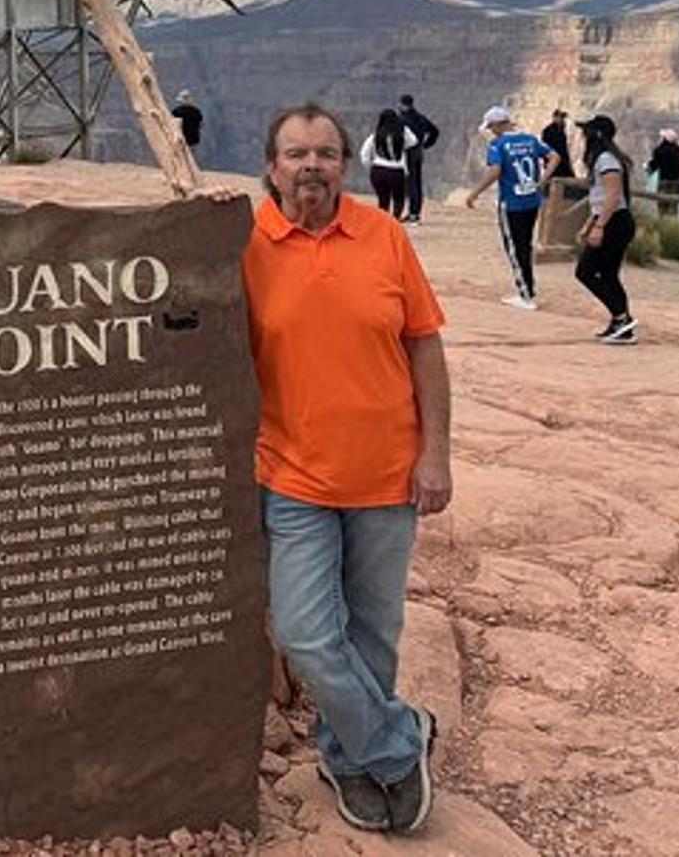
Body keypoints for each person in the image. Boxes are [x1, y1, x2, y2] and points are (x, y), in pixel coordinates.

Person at [244, 103, 452, 836]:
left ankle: (345, 755)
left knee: (372, 636)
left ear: (345, 165)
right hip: (293, 475)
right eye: (295, 153)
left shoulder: (384, 235)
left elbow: (425, 346)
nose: (311, 166)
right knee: (306, 634)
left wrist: (437, 452)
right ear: (271, 166)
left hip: (389, 476)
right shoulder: (247, 245)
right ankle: (400, 743)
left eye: (325, 153)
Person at [463, 106, 558, 310]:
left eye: (491, 126)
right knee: (525, 244)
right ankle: (527, 290)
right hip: (532, 200)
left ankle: (525, 295)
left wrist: (475, 192)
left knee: (515, 248)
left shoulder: (498, 145)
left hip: (512, 203)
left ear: (498, 125)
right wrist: (542, 180)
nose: (490, 131)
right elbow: (555, 157)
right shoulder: (530, 140)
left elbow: (495, 171)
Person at [575, 114, 639, 343]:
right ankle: (622, 324)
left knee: (585, 272)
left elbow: (613, 196)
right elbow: (600, 198)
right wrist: (589, 224)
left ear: (597, 135)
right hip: (614, 221)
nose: (583, 137)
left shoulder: (606, 160)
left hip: (615, 223)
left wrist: (599, 226)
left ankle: (622, 319)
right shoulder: (606, 158)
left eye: (587, 132)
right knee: (609, 275)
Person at [396, 94, 440, 223]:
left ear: (402, 104)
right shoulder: (421, 118)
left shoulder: (402, 120)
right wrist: (426, 144)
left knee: (410, 184)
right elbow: (435, 131)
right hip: (419, 152)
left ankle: (413, 214)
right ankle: (415, 212)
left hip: (408, 153)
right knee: (417, 182)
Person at [358, 107, 409, 218]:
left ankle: (383, 224)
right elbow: (413, 141)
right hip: (397, 171)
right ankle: (395, 222)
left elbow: (364, 155)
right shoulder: (402, 134)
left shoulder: (374, 136)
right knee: (399, 199)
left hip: (379, 170)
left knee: (383, 200)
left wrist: (371, 168)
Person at [646, 128, 679, 219]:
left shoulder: (659, 150)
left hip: (664, 181)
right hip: (677, 182)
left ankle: (663, 224)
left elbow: (653, 167)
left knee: (662, 205)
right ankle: (673, 224)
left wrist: (648, 168)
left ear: (664, 139)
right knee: (673, 205)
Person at [540, 108, 575, 182]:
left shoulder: (560, 130)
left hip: (561, 165)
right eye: (561, 117)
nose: (562, 120)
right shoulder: (549, 131)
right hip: (556, 165)